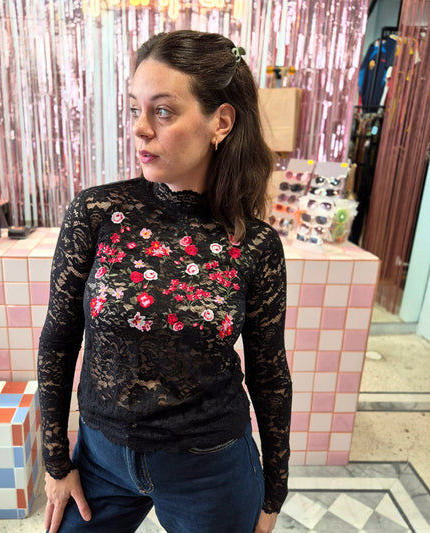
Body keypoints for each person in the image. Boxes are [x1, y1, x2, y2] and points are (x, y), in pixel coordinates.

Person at [38, 30, 292, 533]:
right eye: (136, 108)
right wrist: (56, 462)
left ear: (220, 122)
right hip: (100, 459)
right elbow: (59, 338)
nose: (140, 129)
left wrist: (273, 494)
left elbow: (269, 374)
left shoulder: (255, 245)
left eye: (162, 111)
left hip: (211, 469)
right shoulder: (97, 212)